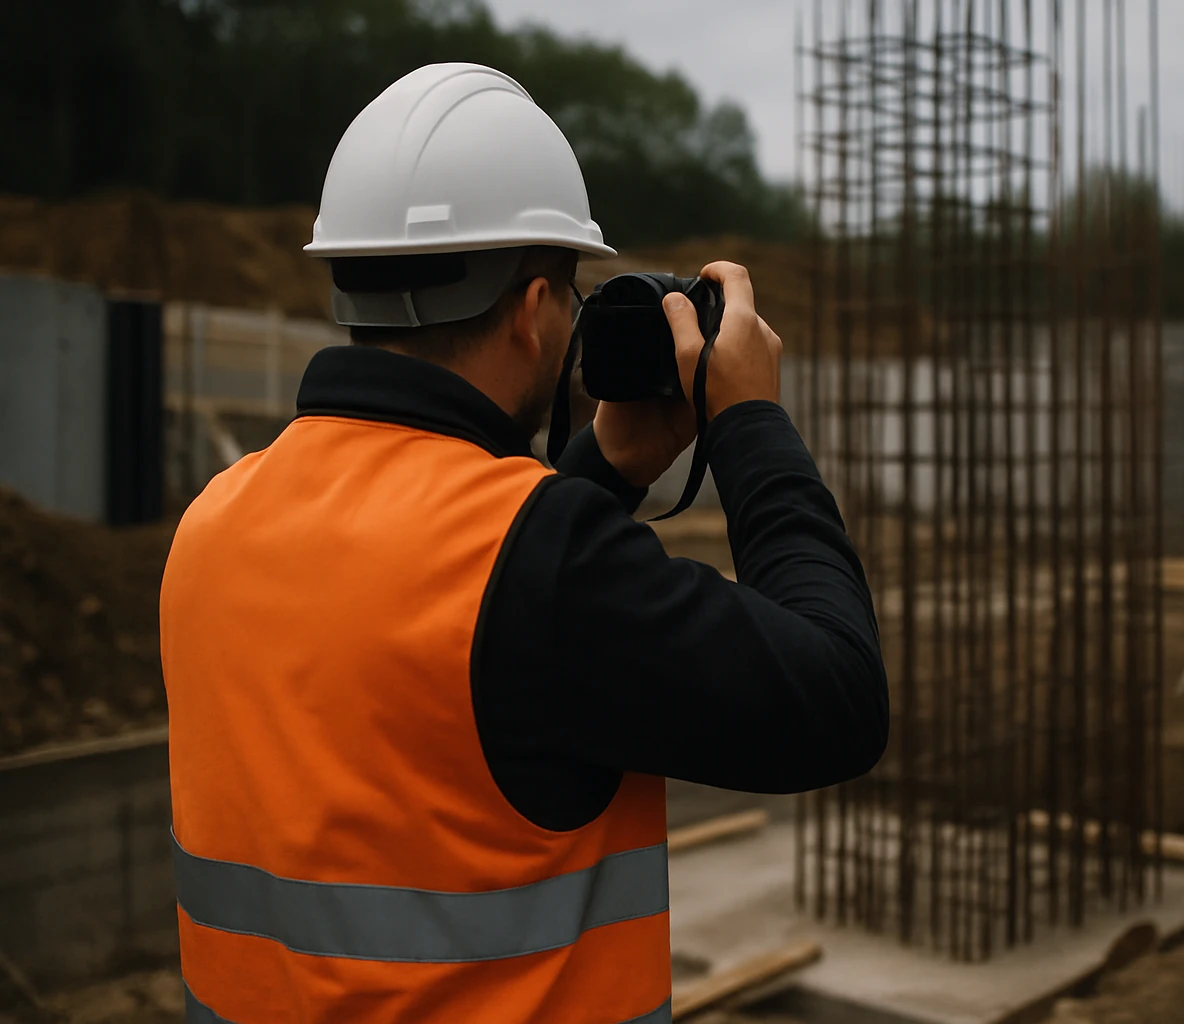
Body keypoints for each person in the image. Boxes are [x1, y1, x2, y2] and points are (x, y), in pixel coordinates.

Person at [160, 63, 886, 1024]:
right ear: (530, 309)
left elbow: (457, 641)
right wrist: (748, 420)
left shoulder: (214, 521)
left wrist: (611, 466)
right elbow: (836, 696)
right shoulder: (542, 563)